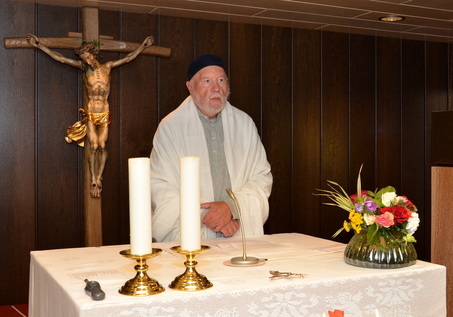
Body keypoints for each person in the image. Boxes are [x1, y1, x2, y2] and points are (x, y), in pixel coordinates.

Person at [150, 54, 272, 241]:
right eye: (207, 81)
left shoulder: (244, 124)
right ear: (190, 87)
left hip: (238, 232)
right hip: (190, 235)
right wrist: (210, 216)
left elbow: (261, 177)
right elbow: (161, 186)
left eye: (221, 80)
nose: (216, 88)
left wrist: (233, 210)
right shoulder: (171, 127)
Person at [26, 34, 154, 198]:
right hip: (92, 112)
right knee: (93, 145)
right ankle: (94, 178)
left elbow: (128, 58)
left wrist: (143, 45)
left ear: (93, 54)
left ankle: (100, 175)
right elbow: (61, 59)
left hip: (105, 112)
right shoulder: (84, 70)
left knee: (102, 146)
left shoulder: (108, 66)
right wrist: (40, 46)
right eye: (85, 59)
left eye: (88, 56)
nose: (87, 61)